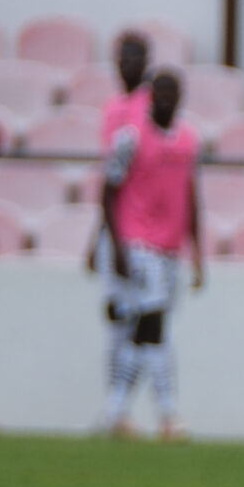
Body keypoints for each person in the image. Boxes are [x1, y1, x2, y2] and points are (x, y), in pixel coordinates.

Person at [99, 68, 202, 440]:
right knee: (153, 326)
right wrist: (115, 247)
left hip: (171, 248)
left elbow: (191, 197)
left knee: (143, 331)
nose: (165, 100)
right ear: (150, 97)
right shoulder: (129, 139)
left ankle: (115, 411)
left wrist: (197, 251)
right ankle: (167, 414)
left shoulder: (189, 141)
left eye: (171, 93)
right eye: (159, 93)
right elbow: (108, 191)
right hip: (138, 243)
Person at [88, 32, 152, 411]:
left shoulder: (151, 108)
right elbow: (110, 179)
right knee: (116, 316)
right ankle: (116, 404)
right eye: (121, 58)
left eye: (133, 58)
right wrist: (99, 236)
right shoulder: (112, 109)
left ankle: (124, 402)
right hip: (115, 228)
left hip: (142, 232)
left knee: (143, 320)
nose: (126, 65)